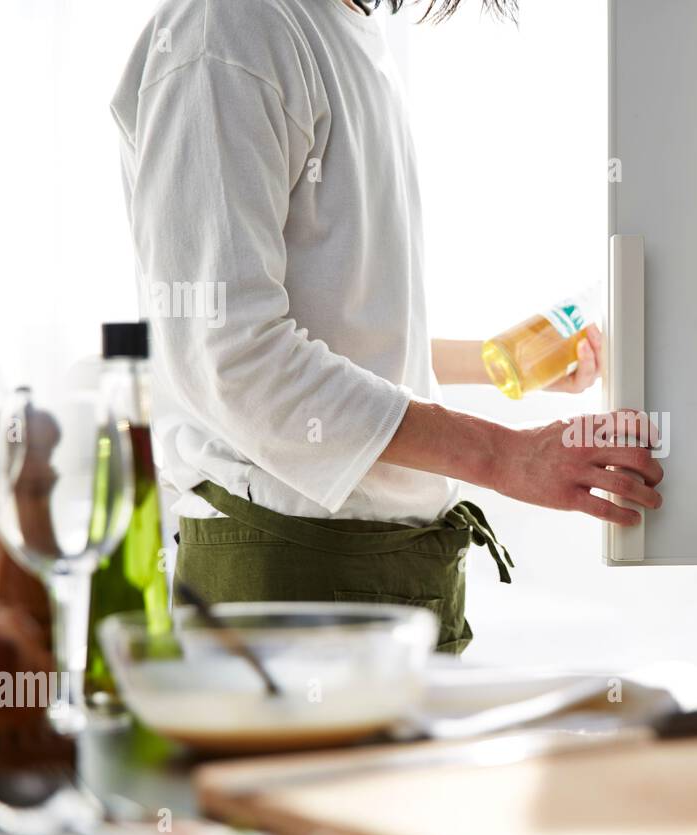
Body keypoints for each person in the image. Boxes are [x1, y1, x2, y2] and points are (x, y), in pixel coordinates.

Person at [110, 0, 663, 654]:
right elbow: (235, 361)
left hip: (386, 570)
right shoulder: (229, 28)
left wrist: (488, 362)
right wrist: (503, 456)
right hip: (292, 578)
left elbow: (324, 330)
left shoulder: (338, 27)